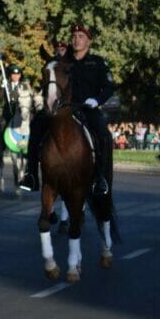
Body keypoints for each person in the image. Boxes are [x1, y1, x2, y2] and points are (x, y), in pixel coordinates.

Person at [20, 24, 114, 195]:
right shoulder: (63, 62)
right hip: (62, 110)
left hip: (88, 109)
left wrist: (97, 100)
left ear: (88, 41)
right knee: (36, 126)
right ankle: (31, 174)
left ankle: (100, 177)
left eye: (81, 36)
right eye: (74, 36)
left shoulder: (98, 62)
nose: (76, 39)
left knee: (103, 134)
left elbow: (109, 87)